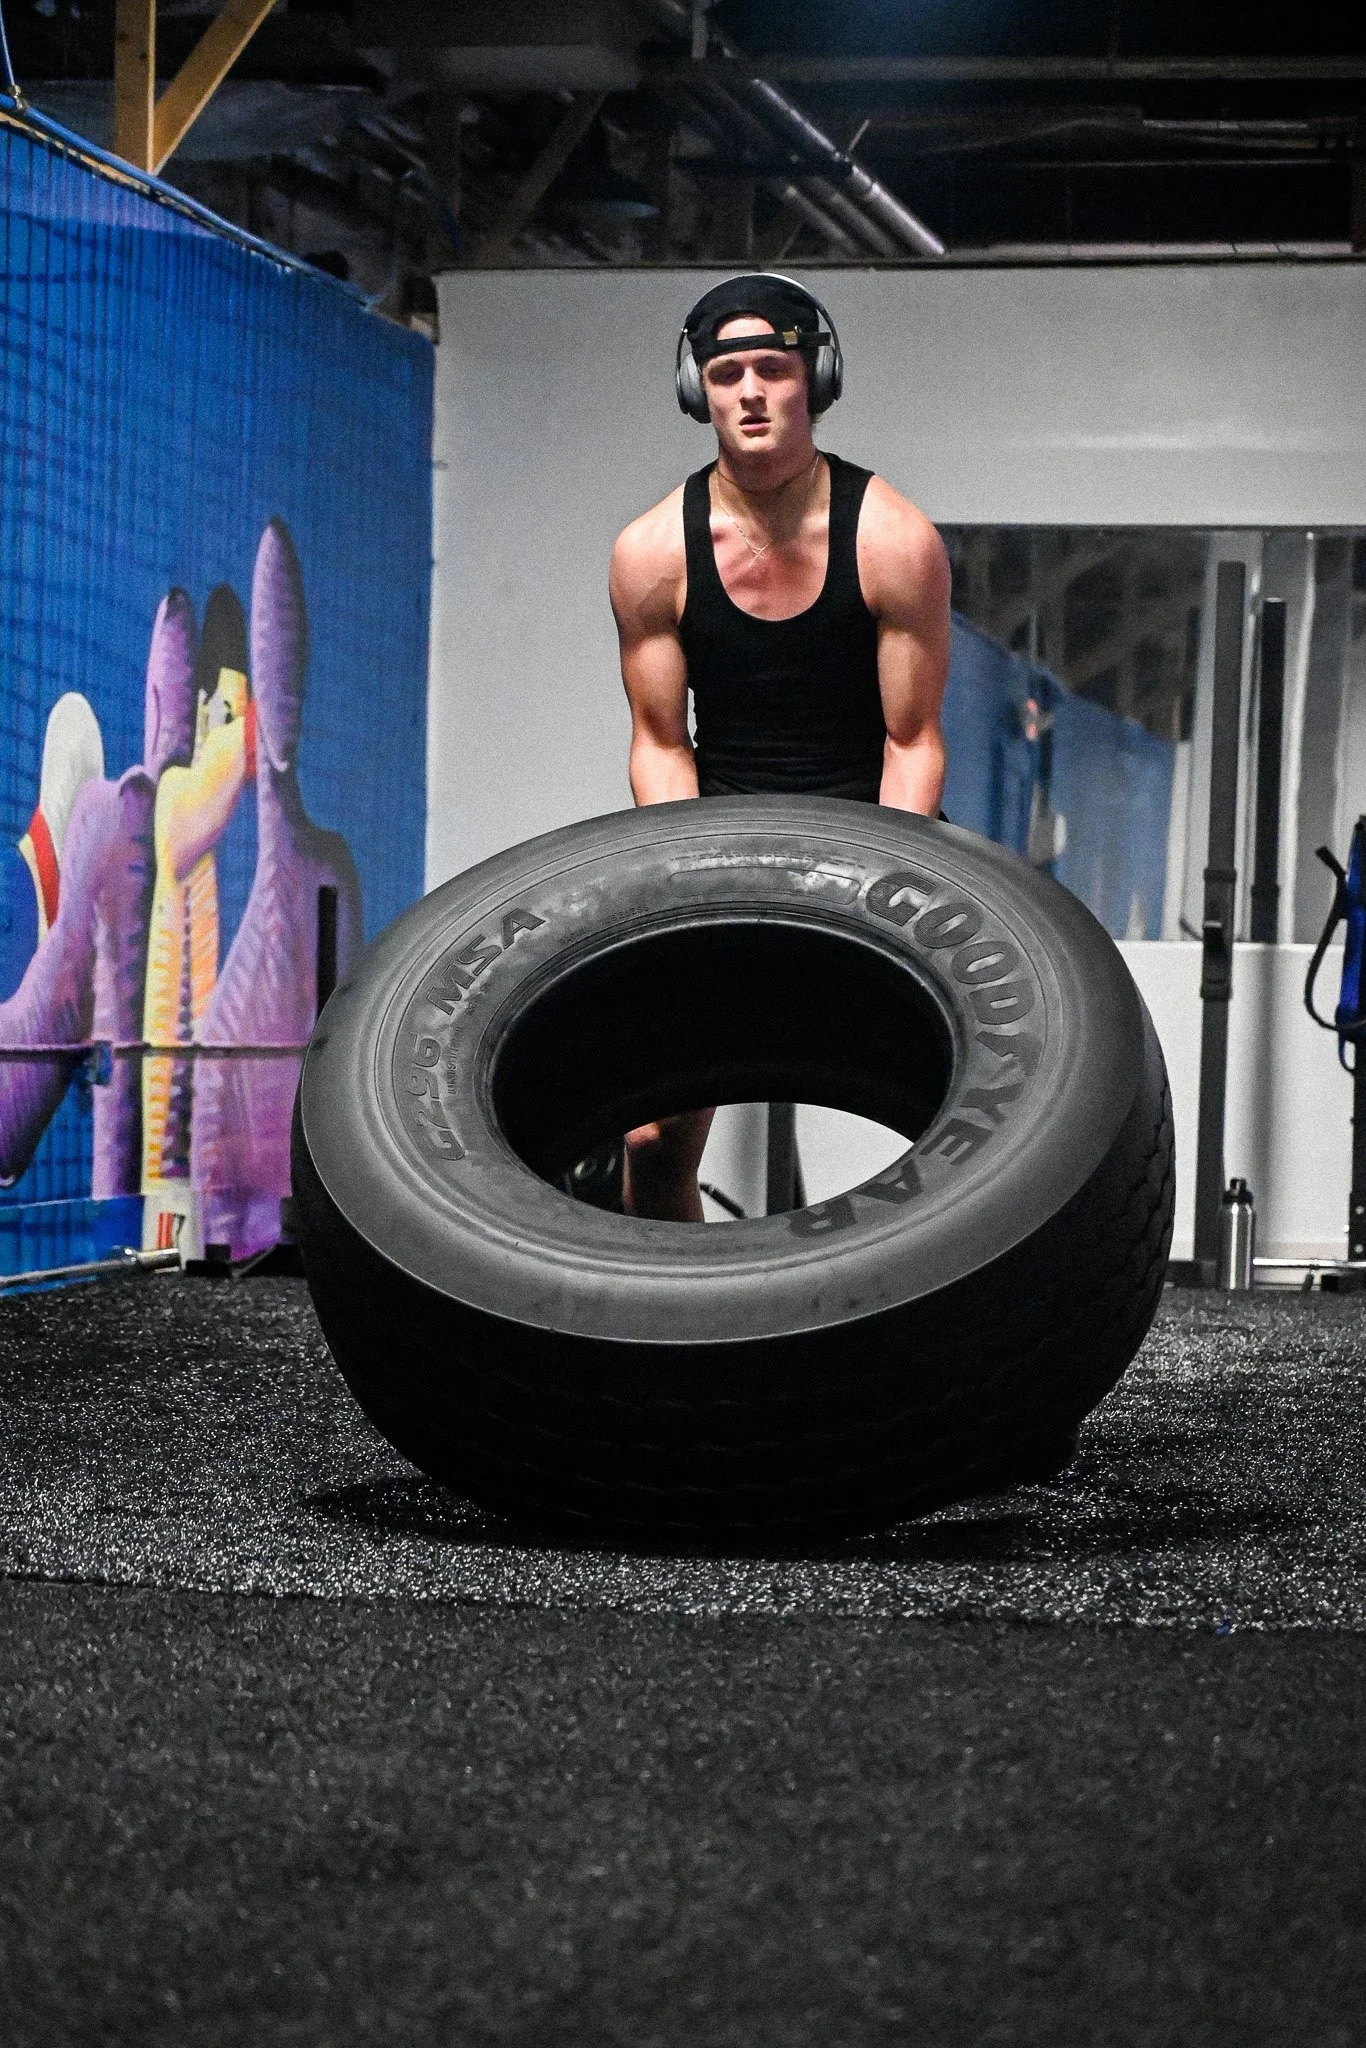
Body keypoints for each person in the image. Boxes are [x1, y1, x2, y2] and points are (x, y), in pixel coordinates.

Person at [608, 272, 951, 1221]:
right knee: (651, 1131)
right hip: (721, 831)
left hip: (877, 829)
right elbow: (659, 744)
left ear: (815, 377)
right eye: (726, 373)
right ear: (698, 391)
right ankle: (675, 1331)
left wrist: (881, 889)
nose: (750, 392)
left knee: (969, 1113)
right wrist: (689, 876)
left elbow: (913, 741)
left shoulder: (893, 538)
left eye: (773, 366)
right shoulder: (652, 551)